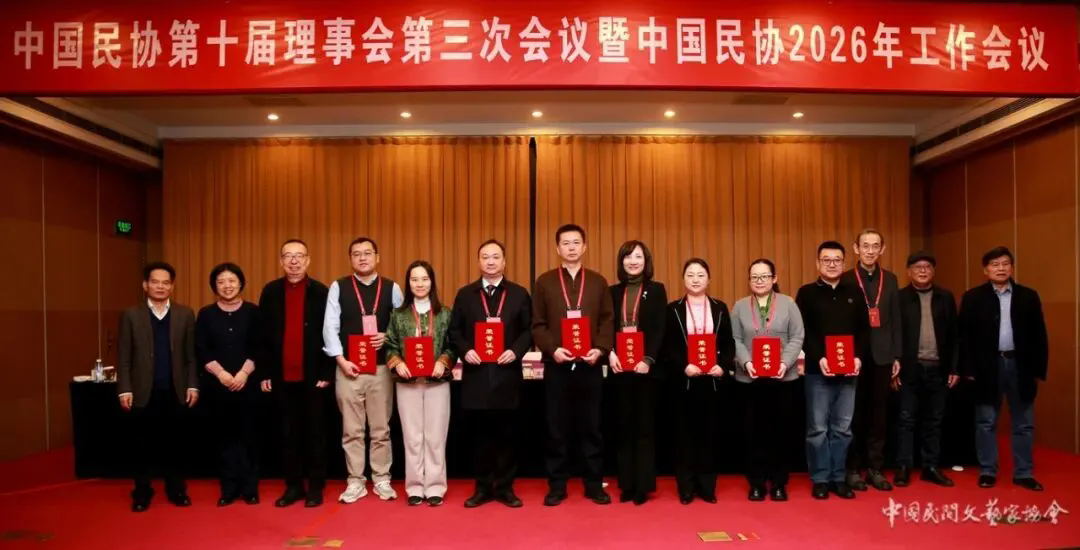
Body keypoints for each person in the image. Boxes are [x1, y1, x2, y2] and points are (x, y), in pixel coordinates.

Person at [531, 224, 615, 506]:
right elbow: (537, 323)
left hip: (590, 365)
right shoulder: (545, 282)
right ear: (558, 248)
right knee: (556, 427)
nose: (571, 247)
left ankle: (594, 484)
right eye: (565, 243)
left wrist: (600, 349)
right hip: (558, 365)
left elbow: (607, 320)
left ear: (584, 247)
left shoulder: (598, 282)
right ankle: (557, 485)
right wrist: (552, 349)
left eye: (576, 242)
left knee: (592, 427)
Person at [448, 240, 533, 509]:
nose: (491, 261)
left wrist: (515, 351)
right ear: (478, 261)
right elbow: (454, 331)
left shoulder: (519, 294)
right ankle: (483, 488)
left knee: (508, 436)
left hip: (507, 374)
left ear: (504, 262)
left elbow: (529, 330)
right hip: (476, 375)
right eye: (485, 257)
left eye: (496, 257)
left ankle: (506, 488)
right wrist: (466, 351)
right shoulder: (465, 295)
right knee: (480, 437)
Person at [960, 246, 1048, 491]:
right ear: (986, 270)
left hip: (1020, 365)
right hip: (987, 366)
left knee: (1024, 423)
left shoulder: (1028, 296)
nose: (1001, 268)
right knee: (986, 421)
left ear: (1012, 267)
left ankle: (1023, 472)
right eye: (995, 264)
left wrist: (1038, 369)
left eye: (1005, 264)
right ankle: (988, 470)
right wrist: (967, 368)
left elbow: (1039, 335)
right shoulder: (973, 297)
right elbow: (964, 337)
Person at [323, 237, 404, 503]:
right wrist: (340, 360)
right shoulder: (339, 287)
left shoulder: (392, 288)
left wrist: (387, 336)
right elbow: (330, 327)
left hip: (381, 368)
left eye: (367, 253)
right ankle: (355, 480)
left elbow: (403, 325)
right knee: (352, 430)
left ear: (377, 257)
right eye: (356, 254)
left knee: (381, 429)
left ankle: (381, 478)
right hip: (349, 369)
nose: (362, 258)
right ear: (350, 259)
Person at [257, 239, 334, 508]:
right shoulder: (270, 292)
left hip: (313, 377)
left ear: (308, 260)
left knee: (315, 434)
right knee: (288, 435)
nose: (293, 261)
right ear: (281, 261)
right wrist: (264, 372)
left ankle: (316, 486)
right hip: (281, 377)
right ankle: (293, 486)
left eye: (299, 256)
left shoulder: (321, 292)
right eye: (288, 256)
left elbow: (331, 334)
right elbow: (262, 336)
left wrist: (327, 371)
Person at [117, 262, 199, 512]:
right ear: (145, 285)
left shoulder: (185, 314)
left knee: (176, 445)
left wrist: (193, 385)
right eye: (155, 282)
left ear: (172, 286)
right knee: (142, 446)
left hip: (175, 390)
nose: (160, 287)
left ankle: (177, 490)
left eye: (166, 283)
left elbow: (191, 356)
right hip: (143, 391)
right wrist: (124, 388)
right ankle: (142, 492)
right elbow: (124, 355)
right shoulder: (131, 315)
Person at [796, 241, 870, 500]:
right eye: (826, 260)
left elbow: (864, 330)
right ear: (818, 263)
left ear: (844, 263)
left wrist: (858, 357)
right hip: (817, 371)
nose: (831, 264)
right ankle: (820, 478)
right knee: (817, 429)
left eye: (837, 260)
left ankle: (838, 477)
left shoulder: (856, 293)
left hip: (849, 373)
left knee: (842, 428)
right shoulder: (806, 293)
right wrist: (819, 358)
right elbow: (803, 332)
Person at [661, 258, 734, 505]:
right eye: (690, 275)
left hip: (712, 381)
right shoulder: (673, 309)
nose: (695, 280)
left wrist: (722, 366)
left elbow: (728, 343)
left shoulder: (720, 308)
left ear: (709, 279)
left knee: (709, 436)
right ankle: (686, 487)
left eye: (700, 275)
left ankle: (707, 487)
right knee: (684, 437)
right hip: (684, 382)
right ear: (683, 279)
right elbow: (667, 346)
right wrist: (684, 365)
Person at [731, 258, 804, 502]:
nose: (759, 281)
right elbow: (735, 339)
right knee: (753, 433)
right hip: (750, 380)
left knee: (781, 433)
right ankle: (756, 483)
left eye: (764, 276)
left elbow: (797, 337)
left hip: (782, 379)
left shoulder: (788, 303)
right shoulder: (740, 306)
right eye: (754, 277)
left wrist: (784, 363)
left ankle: (779, 483)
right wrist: (747, 363)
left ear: (774, 278)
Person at [385, 261, 457, 507]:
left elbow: (452, 345)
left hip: (437, 381)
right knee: (412, 437)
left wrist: (443, 361)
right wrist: (397, 363)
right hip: (408, 382)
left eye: (424, 279)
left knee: (435, 436)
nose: (419, 284)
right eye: (414, 279)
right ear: (408, 283)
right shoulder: (398, 315)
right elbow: (390, 344)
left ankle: (435, 486)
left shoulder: (444, 313)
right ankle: (415, 486)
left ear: (432, 282)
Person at [607, 241, 667, 505]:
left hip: (645, 369)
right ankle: (627, 484)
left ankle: (643, 485)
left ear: (646, 261)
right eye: (628, 257)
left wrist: (648, 358)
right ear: (621, 262)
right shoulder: (612, 291)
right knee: (623, 426)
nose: (633, 261)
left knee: (644, 428)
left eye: (638, 257)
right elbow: (606, 325)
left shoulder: (656, 290)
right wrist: (610, 352)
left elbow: (660, 327)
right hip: (620, 367)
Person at [840, 228, 901, 492]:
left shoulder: (891, 279)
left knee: (879, 416)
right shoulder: (845, 279)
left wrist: (897, 354)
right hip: (854, 355)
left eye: (875, 246)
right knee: (854, 415)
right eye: (865, 245)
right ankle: (852, 468)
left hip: (883, 355)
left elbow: (896, 319)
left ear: (882, 250)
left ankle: (875, 468)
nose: (870, 251)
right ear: (856, 248)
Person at [196, 262, 260, 506]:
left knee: (249, 437)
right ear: (214, 286)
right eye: (221, 281)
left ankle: (250, 488)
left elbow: (260, 345)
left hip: (248, 385)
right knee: (224, 438)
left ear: (241, 283)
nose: (227, 285)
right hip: (217, 386)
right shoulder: (206, 314)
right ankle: (229, 489)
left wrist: (243, 373)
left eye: (232, 280)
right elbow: (201, 348)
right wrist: (221, 373)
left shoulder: (253, 312)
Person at [894, 251, 958, 488]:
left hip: (938, 368)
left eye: (927, 267)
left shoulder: (945, 297)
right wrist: (894, 364)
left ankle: (930, 466)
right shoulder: (899, 298)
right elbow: (894, 334)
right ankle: (904, 467)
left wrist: (954, 368)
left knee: (934, 420)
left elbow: (955, 335)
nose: (922, 271)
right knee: (906, 419)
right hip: (909, 368)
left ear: (933, 271)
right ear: (908, 272)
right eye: (917, 267)